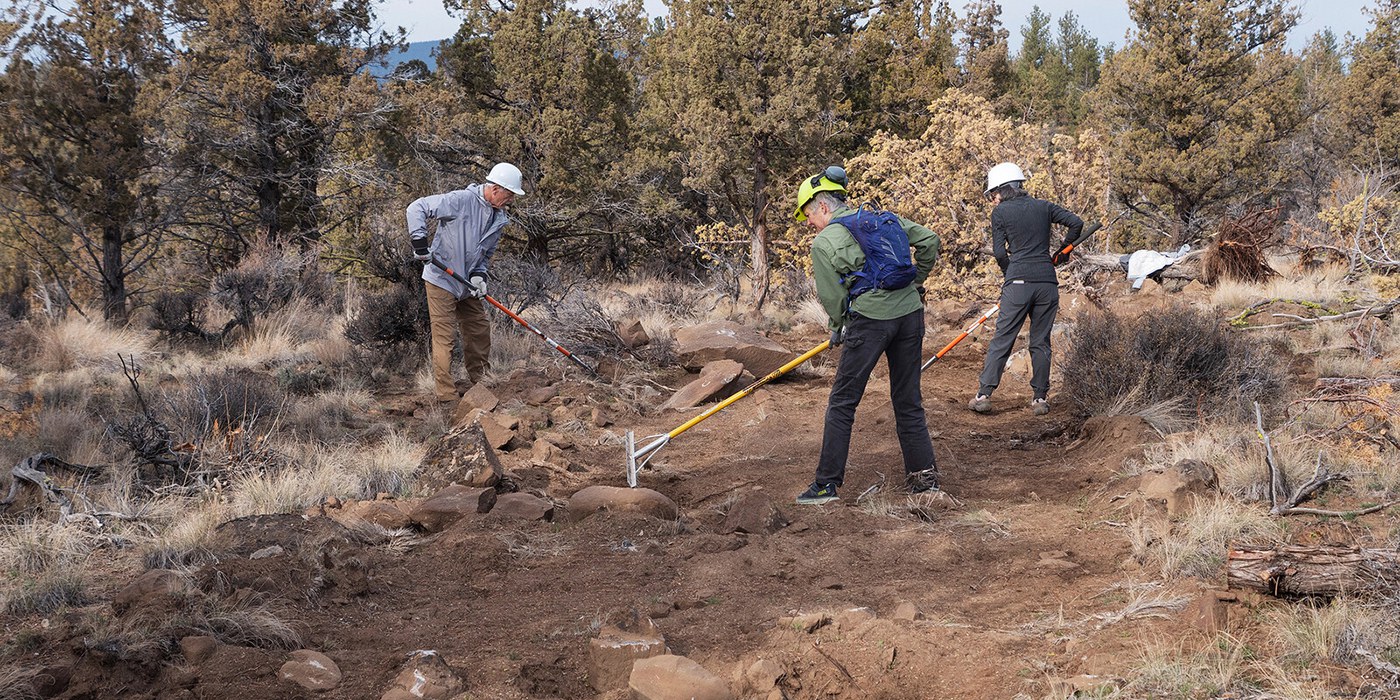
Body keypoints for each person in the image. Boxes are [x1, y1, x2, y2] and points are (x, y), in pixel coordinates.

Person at [793, 166, 942, 505]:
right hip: (910, 315)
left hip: (871, 322)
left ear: (823, 206)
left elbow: (833, 299)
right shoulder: (883, 219)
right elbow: (930, 240)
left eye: (807, 216)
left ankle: (826, 485)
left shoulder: (824, 241)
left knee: (843, 402)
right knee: (907, 399)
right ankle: (925, 479)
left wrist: (839, 326)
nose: (808, 224)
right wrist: (916, 280)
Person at [968, 162, 1083, 416]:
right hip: (1047, 283)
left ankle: (984, 394)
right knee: (1040, 342)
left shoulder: (1000, 214)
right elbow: (1077, 223)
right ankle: (1040, 399)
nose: (993, 199)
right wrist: (1064, 251)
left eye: (993, 194)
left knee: (1003, 339)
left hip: (1018, 283)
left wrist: (1011, 274)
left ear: (1003, 190)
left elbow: (999, 252)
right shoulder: (1044, 206)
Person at [406, 162, 525, 405]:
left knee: (479, 328)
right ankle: (447, 396)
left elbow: (485, 254)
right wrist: (419, 242)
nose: (511, 200)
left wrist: (479, 276)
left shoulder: (499, 219)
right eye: (510, 194)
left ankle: (481, 382)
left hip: (467, 284)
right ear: (495, 189)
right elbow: (416, 207)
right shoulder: (460, 200)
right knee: (444, 337)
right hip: (441, 279)